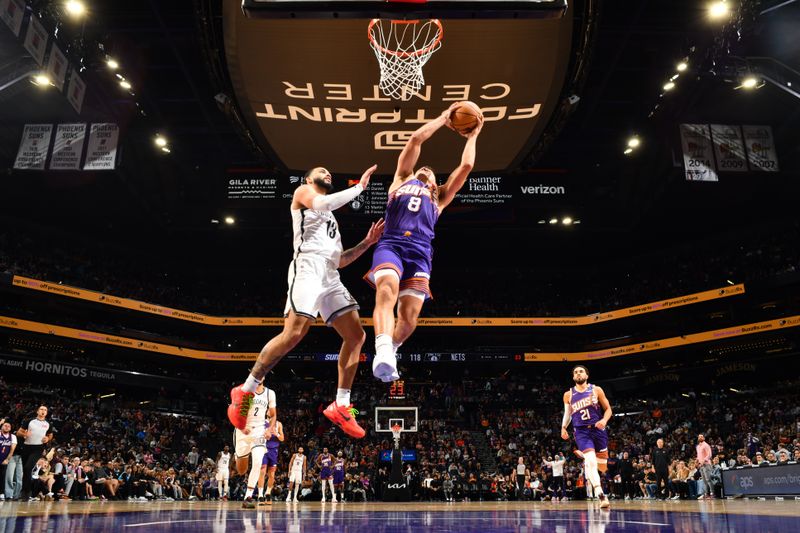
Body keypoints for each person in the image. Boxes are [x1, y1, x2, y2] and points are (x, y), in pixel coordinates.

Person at [229, 164, 384, 439]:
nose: (328, 173)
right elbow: (324, 202)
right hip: (308, 268)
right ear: (308, 178)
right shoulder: (303, 193)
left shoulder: (331, 220)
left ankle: (341, 404)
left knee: (356, 335)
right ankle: (246, 390)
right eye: (322, 170)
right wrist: (360, 187)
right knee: (294, 333)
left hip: (329, 273)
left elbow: (340, 260)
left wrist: (367, 242)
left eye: (329, 171)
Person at [364, 102, 484, 382]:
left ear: (435, 182)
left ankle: (391, 348)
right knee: (385, 291)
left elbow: (466, 166)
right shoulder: (401, 179)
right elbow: (415, 139)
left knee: (409, 318)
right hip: (391, 244)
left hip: (419, 253)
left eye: (430, 172)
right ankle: (381, 349)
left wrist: (474, 135)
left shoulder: (439, 197)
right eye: (423, 168)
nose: (425, 170)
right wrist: (444, 119)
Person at [561, 365, 612, 509]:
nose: (578, 373)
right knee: (591, 463)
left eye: (581, 371)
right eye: (575, 372)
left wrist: (604, 420)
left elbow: (608, 409)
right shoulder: (568, 394)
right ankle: (601, 494)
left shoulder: (596, 390)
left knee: (602, 467)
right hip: (581, 432)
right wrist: (563, 427)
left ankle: (586, 456)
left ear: (587, 375)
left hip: (598, 430)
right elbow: (568, 414)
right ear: (573, 377)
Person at [232, 382, 276, 509]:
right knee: (241, 470)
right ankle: (237, 456)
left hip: (259, 431)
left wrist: (269, 430)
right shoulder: (245, 390)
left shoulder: (269, 393)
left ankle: (248, 496)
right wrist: (241, 426)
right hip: (242, 431)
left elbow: (273, 415)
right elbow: (235, 412)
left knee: (258, 461)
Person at [16, 405, 54, 501]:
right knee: (26, 470)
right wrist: (24, 434)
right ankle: (25, 492)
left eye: (45, 410)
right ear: (37, 411)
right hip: (26, 447)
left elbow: (50, 435)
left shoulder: (48, 423)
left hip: (38, 448)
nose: (43, 411)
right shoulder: (29, 421)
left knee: (28, 467)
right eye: (41, 409)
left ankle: (26, 493)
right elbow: (18, 432)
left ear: (46, 413)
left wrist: (48, 438)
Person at [258, 419, 284, 505]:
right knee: (262, 472)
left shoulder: (278, 424)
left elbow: (282, 438)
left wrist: (276, 433)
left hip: (274, 451)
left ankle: (268, 493)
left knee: (272, 475)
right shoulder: (262, 422)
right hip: (264, 448)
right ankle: (260, 495)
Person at [0, 420, 18, 502]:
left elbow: (12, 450)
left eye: (9, 426)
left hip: (4, 459)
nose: (7, 427)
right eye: (5, 425)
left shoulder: (13, 437)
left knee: (2, 476)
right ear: (2, 426)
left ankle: (1, 493)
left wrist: (7, 459)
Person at [695, 434, 714, 499]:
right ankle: (707, 494)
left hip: (706, 464)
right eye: (699, 437)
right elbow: (698, 455)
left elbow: (709, 455)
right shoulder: (697, 446)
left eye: (701, 436)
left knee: (708, 479)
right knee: (704, 480)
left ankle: (712, 493)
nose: (700, 437)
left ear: (704, 438)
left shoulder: (706, 445)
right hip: (701, 465)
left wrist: (704, 460)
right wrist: (697, 461)